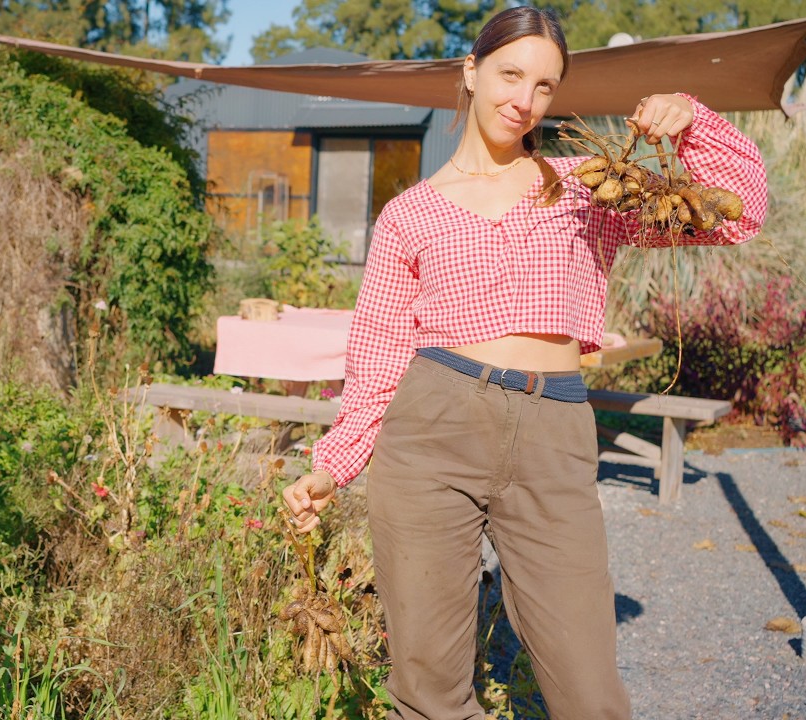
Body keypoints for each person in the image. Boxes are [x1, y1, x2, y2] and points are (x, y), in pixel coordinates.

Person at [279, 6, 767, 720]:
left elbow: (737, 213)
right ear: (471, 71)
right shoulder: (409, 214)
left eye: (544, 85)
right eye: (511, 74)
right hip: (433, 429)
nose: (524, 99)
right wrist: (333, 464)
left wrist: (687, 119)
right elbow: (379, 357)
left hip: (552, 429)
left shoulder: (585, 188)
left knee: (590, 694)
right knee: (430, 689)